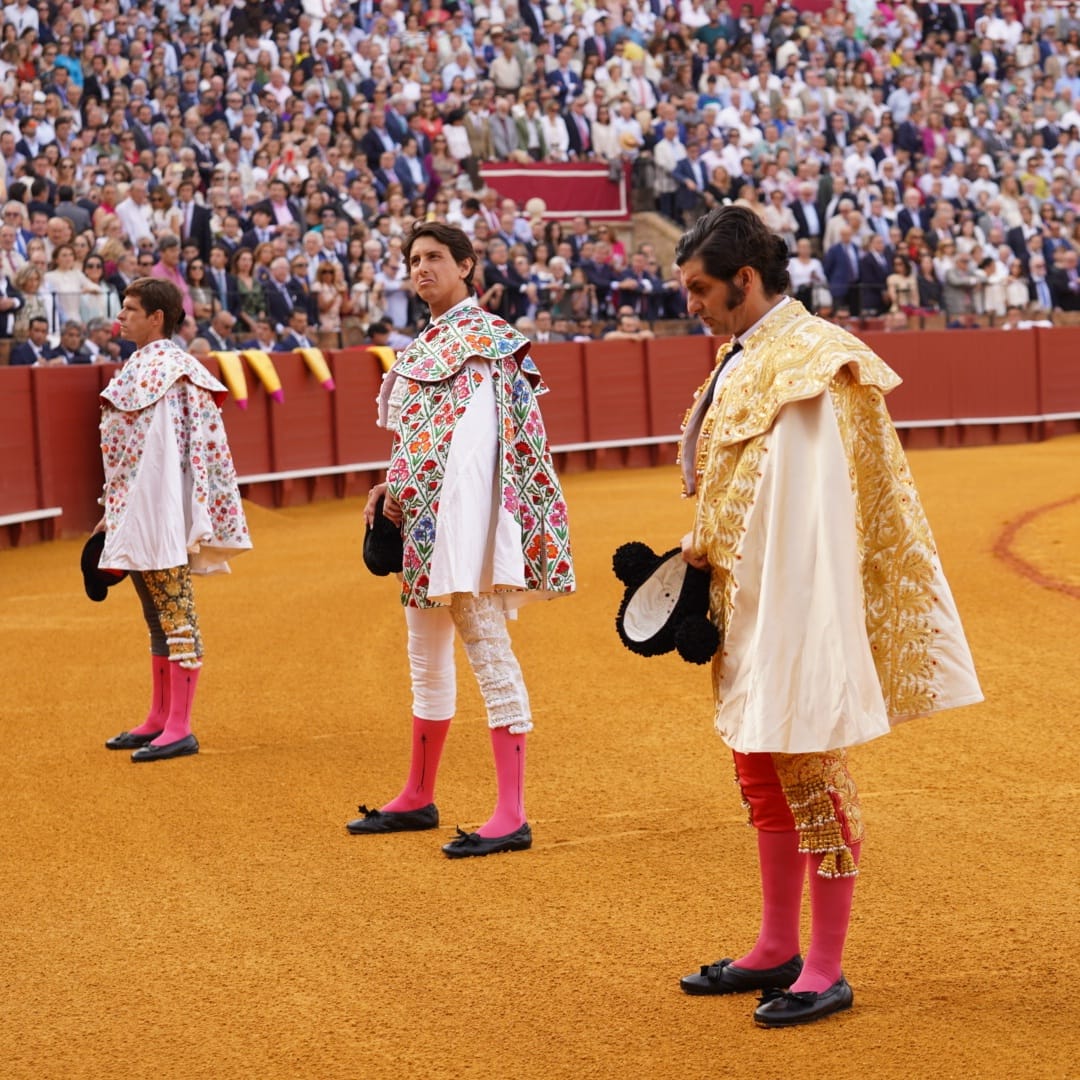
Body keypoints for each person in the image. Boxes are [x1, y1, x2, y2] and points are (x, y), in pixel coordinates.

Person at [674, 206, 982, 1027]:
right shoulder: (746, 358)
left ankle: (827, 966)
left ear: (747, 278)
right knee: (759, 768)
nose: (692, 305)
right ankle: (776, 944)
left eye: (702, 288)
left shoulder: (814, 360)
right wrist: (696, 560)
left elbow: (811, 509)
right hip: (745, 596)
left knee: (810, 772)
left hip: (795, 601)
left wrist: (792, 612)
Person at [349, 221, 575, 858]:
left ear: (467, 266)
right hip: (422, 524)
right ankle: (418, 795)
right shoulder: (430, 341)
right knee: (426, 662)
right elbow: (419, 440)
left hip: (463, 528)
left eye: (435, 258)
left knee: (490, 656)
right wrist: (388, 485)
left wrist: (454, 517)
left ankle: (512, 813)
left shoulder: (486, 341)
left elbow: (481, 450)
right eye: (414, 260)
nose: (422, 269)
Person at [97, 278, 252, 762]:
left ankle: (180, 726)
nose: (121, 316)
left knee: (176, 612)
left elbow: (174, 453)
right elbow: (131, 455)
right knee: (155, 615)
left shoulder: (171, 370)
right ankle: (159, 718)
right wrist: (115, 511)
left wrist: (171, 512)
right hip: (139, 507)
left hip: (161, 508)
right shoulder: (147, 366)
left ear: (156, 317)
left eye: (130, 309)